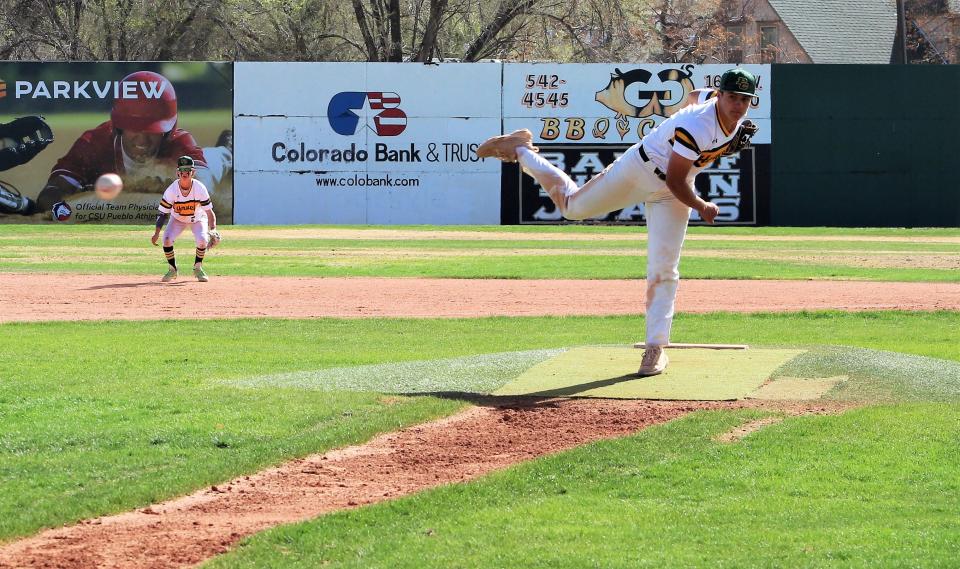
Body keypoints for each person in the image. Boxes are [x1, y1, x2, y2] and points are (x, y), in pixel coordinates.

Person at [478, 68, 758, 377]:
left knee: (664, 267)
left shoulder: (721, 112)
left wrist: (678, 123)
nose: (738, 105)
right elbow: (678, 181)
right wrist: (702, 205)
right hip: (640, 171)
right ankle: (520, 150)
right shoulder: (697, 126)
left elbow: (693, 96)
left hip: (674, 188)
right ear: (721, 96)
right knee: (572, 207)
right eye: (732, 96)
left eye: (745, 99)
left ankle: (655, 348)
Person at [18, 70, 231, 217]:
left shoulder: (179, 143)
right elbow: (49, 195)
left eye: (152, 130)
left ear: (168, 130)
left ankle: (227, 149)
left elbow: (205, 191)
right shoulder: (94, 143)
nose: (142, 139)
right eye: (134, 128)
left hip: (203, 162)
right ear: (119, 126)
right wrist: (65, 212)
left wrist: (148, 187)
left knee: (214, 160)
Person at [151, 156, 216, 282]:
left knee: (202, 240)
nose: (185, 173)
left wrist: (213, 230)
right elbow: (162, 213)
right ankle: (172, 269)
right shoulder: (171, 190)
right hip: (178, 219)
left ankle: (198, 268)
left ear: (193, 172)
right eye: (182, 170)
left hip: (197, 218)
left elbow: (209, 212)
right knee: (167, 240)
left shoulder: (200, 188)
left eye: (188, 170)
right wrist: (156, 233)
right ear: (177, 172)